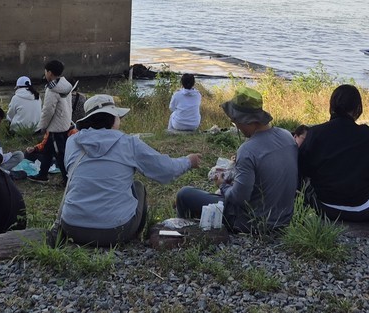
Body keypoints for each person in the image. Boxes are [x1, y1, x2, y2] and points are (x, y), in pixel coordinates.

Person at [57, 95, 201, 246]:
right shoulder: (128, 143)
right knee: (137, 187)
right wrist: (188, 161)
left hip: (72, 228)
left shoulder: (72, 142)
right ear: (113, 119)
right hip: (115, 232)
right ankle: (134, 237)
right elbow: (166, 170)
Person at [175, 88, 297, 232]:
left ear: (245, 120)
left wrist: (222, 185)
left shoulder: (248, 150)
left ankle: (184, 233)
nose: (235, 124)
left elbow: (239, 198)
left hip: (253, 222)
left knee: (185, 194)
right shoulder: (287, 136)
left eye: (235, 121)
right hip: (283, 219)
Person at [297, 84, 369, 223]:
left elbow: (303, 168)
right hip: (363, 209)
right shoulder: (367, 135)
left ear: (331, 106)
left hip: (324, 207)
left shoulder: (316, 133)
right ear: (358, 108)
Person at [34, 60, 75, 184]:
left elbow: (48, 110)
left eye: (45, 72)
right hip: (65, 122)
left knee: (60, 154)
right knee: (48, 150)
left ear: (50, 73)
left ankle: (67, 179)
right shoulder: (65, 84)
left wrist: (42, 126)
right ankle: (42, 175)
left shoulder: (52, 89)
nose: (45, 74)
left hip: (56, 127)